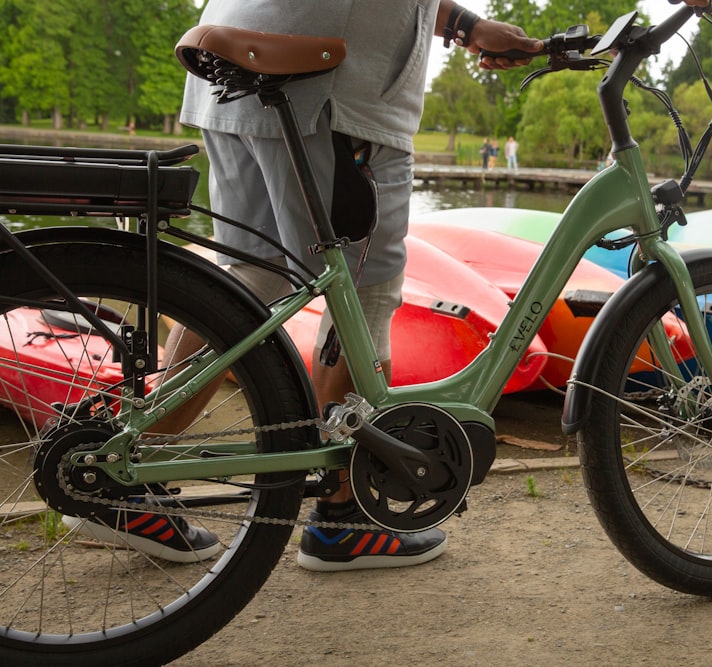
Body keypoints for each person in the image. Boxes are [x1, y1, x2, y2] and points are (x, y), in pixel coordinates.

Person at [66, 1, 541, 571]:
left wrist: (463, 26)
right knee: (362, 300)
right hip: (334, 91)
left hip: (242, 64)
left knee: (253, 278)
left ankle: (122, 474)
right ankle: (344, 516)